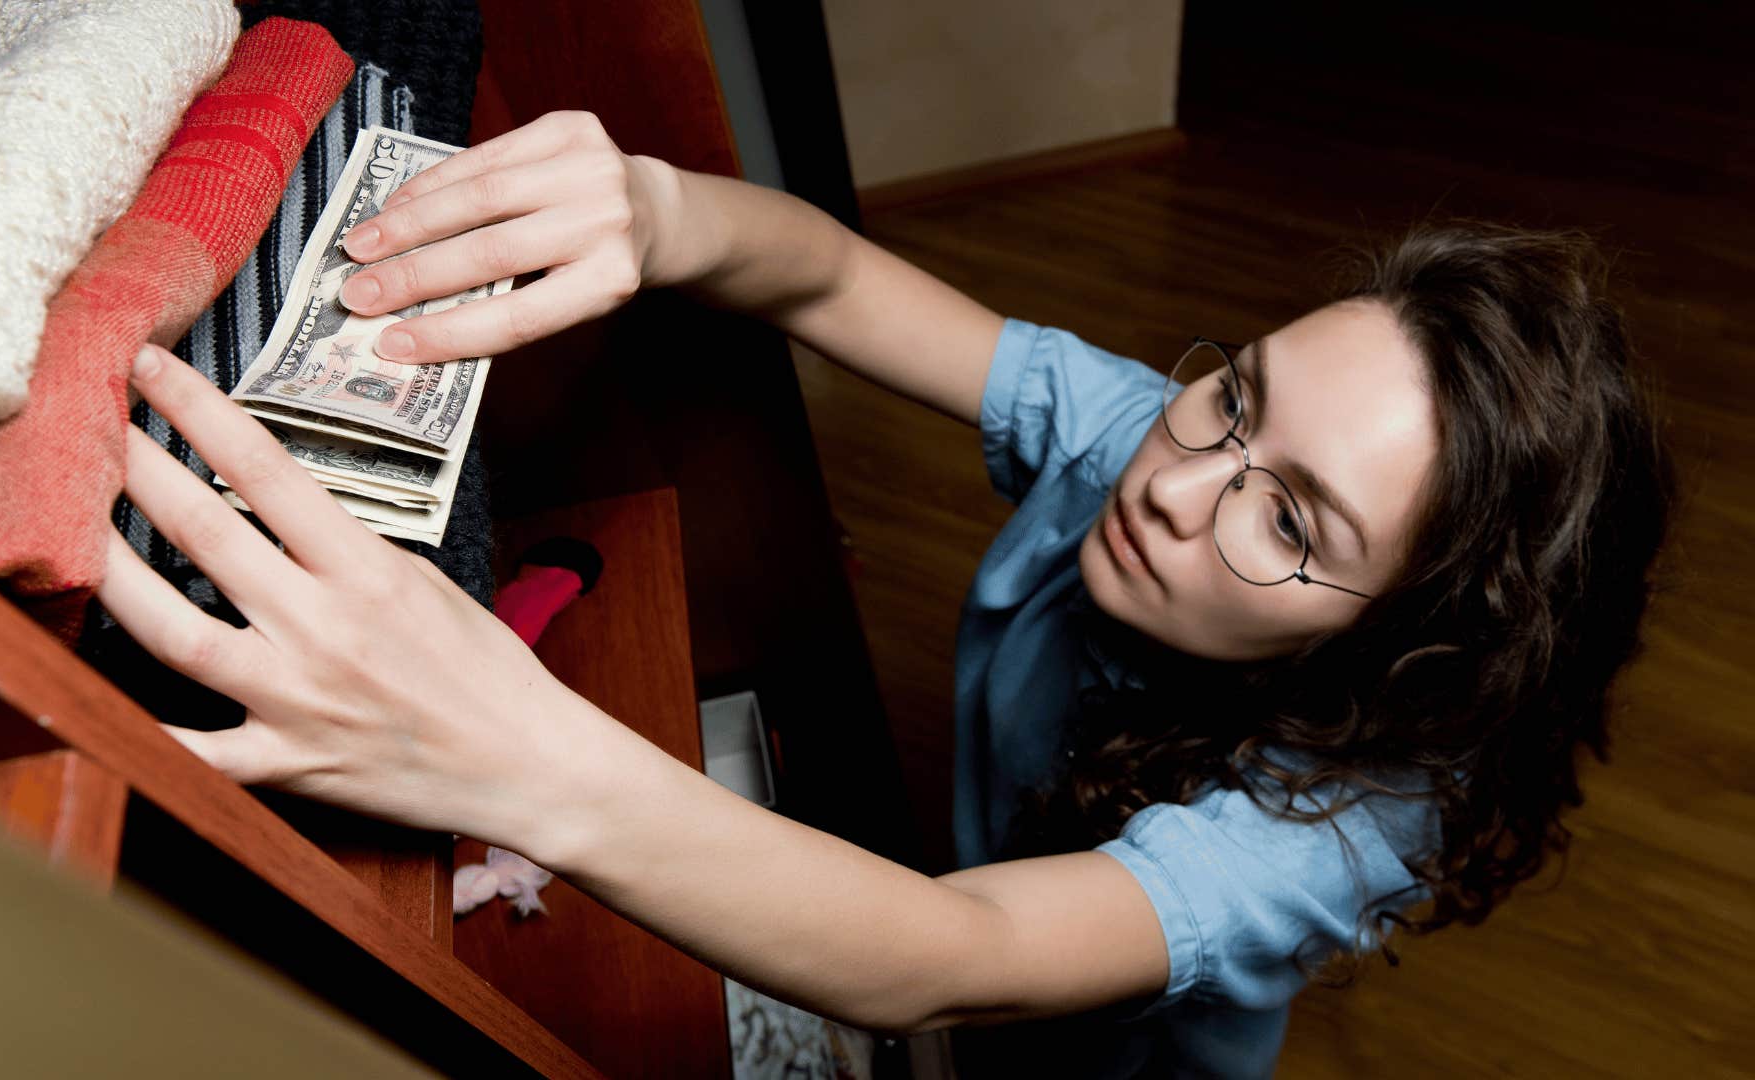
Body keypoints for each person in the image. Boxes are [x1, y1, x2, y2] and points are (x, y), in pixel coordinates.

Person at [100, 111, 1672, 1077]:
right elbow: (838, 281)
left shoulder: (1341, 825)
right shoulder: (1151, 435)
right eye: (1239, 398)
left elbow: (950, 951)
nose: (1176, 485)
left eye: (1292, 519)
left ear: (1397, 641)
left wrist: (524, 758)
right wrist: (657, 208)